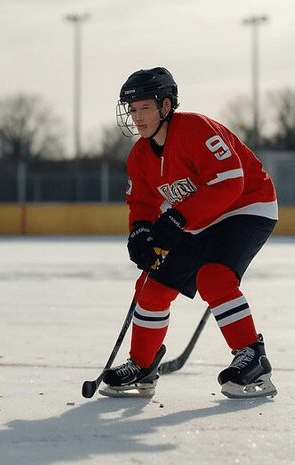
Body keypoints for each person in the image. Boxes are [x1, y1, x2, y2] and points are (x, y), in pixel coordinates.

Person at [100, 67, 278, 399]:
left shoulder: (196, 129)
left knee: (213, 277)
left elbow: (229, 182)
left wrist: (177, 218)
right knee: (151, 287)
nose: (137, 117)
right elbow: (141, 201)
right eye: (132, 109)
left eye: (145, 108)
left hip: (246, 207)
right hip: (197, 219)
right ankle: (143, 364)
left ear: (166, 106)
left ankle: (252, 357)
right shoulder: (140, 156)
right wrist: (140, 232)